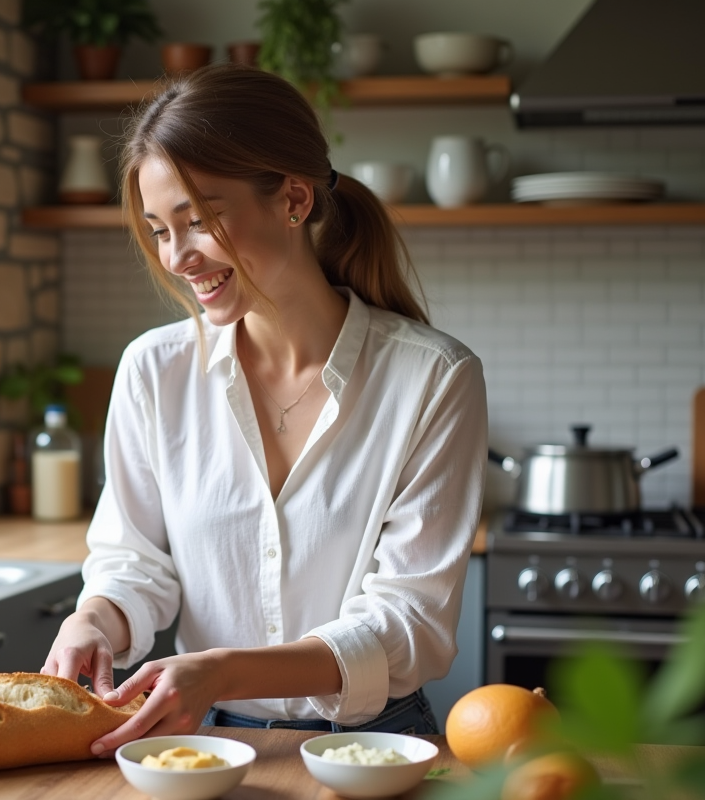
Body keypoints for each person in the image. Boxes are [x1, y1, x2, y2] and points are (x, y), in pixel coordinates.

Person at [41, 63, 488, 756]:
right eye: (160, 229)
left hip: (378, 748)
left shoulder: (433, 377)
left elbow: (409, 623)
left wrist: (221, 671)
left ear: (295, 200)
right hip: (205, 748)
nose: (178, 258)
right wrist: (93, 619)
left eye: (202, 220)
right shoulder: (154, 372)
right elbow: (134, 561)